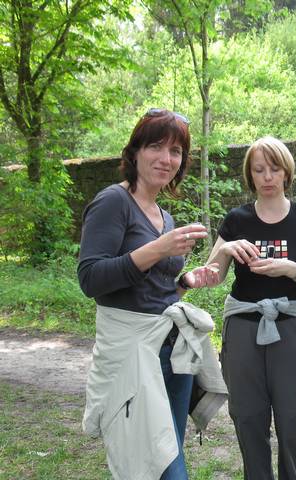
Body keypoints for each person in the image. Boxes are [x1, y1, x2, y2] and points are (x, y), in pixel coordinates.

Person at [78, 108, 227, 480]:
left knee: (168, 454)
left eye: (175, 151)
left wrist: (186, 281)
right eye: (156, 146)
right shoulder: (114, 202)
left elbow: (154, 292)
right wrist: (158, 249)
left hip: (172, 350)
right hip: (134, 354)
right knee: (159, 468)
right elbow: (91, 279)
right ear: (135, 152)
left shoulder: (164, 216)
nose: (166, 158)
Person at [206, 136, 296, 480]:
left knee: (291, 418)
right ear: (250, 175)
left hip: (290, 327)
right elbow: (212, 277)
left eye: (274, 169)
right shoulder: (236, 220)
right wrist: (225, 249)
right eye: (259, 170)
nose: (267, 177)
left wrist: (291, 269)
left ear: (286, 172)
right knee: (247, 417)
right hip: (243, 328)